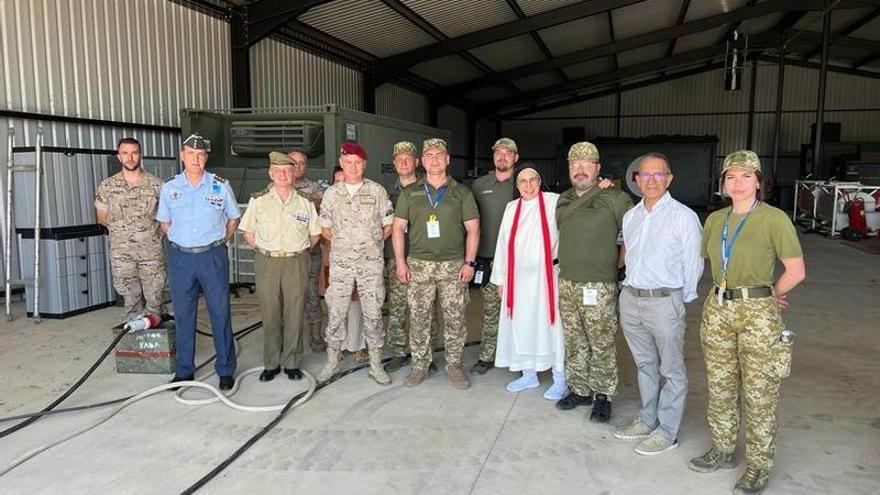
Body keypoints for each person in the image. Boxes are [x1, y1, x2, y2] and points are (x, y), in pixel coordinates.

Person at [688, 150, 805, 495]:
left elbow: (796, 271)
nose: (737, 183)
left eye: (745, 176)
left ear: (759, 182)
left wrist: (770, 294)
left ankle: (758, 465)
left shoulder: (774, 219)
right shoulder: (715, 220)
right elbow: (706, 263)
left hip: (757, 313)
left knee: (759, 393)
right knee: (721, 387)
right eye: (730, 177)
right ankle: (723, 449)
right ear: (723, 183)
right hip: (718, 308)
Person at [613, 153, 703, 456]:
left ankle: (667, 431)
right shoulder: (632, 215)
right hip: (632, 299)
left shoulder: (683, 216)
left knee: (671, 369)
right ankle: (648, 419)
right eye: (645, 175)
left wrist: (682, 298)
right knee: (644, 365)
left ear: (669, 179)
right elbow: (629, 256)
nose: (651, 181)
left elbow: (694, 261)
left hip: (664, 302)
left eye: (658, 175)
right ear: (636, 179)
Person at [392, 138, 480, 389]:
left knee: (455, 318)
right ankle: (420, 366)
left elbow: (473, 229)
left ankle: (454, 365)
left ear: (448, 159)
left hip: (453, 266)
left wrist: (469, 263)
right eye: (429, 155)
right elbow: (398, 229)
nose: (434, 159)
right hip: (419, 265)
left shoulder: (461, 192)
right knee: (419, 318)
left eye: (439, 154)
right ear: (422, 160)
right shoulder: (410, 193)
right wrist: (401, 263)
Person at [555, 141, 632, 422]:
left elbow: (632, 234)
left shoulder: (616, 199)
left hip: (599, 284)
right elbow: (563, 220)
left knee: (601, 341)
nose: (580, 169)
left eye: (586, 164)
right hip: (568, 282)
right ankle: (579, 388)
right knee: (574, 340)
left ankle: (602, 394)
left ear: (598, 168)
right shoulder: (564, 200)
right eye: (574, 164)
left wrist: (621, 263)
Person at [156, 134, 241, 390]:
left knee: (220, 312)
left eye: (201, 154)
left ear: (206, 157)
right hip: (181, 257)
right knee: (183, 315)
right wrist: (181, 241)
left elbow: (233, 218)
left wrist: (219, 241)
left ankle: (226, 369)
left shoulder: (220, 185)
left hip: (212, 256)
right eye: (191, 154)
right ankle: (184, 370)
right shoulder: (170, 187)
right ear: (182, 156)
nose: (196, 159)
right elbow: (164, 223)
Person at [238, 151, 320, 382]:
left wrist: (296, 248)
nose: (283, 175)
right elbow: (248, 232)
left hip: (296, 261)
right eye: (278, 171)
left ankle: (292, 362)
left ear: (294, 174)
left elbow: (314, 234)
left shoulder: (305, 201)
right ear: (270, 173)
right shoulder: (259, 200)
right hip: (268, 262)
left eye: (288, 171)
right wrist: (267, 249)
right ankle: (272, 362)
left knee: (295, 312)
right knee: (270, 312)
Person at [317, 142, 394, 385]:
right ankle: (332, 362)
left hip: (370, 266)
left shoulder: (377, 191)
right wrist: (344, 244)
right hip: (341, 266)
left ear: (365, 165)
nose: (353, 167)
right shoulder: (331, 194)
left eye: (358, 163)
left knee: (373, 314)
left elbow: (388, 224)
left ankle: (375, 363)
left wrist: (371, 243)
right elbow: (325, 228)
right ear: (341, 163)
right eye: (348, 162)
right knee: (336, 313)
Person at [490, 166, 566, 400]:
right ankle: (528, 373)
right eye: (523, 181)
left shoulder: (555, 201)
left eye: (533, 179)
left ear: (540, 181)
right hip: (518, 280)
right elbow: (503, 244)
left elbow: (581, 200)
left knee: (552, 327)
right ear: (517, 185)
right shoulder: (512, 208)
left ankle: (560, 378)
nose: (528, 184)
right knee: (522, 324)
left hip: (547, 278)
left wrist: (603, 186)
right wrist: (501, 279)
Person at [95, 137, 166, 322]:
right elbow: (101, 217)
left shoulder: (157, 185)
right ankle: (135, 336)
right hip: (122, 255)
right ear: (119, 157)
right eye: (125, 153)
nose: (130, 157)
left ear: (140, 155)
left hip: (151, 254)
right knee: (130, 298)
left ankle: (155, 334)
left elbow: (167, 219)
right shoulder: (107, 186)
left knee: (155, 296)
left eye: (134, 153)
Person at [469, 138, 517, 376]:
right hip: (488, 260)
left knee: (519, 313)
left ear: (515, 158)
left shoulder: (525, 183)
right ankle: (487, 355)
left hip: (519, 263)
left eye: (508, 153)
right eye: (498, 153)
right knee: (490, 311)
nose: (503, 157)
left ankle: (520, 358)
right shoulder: (479, 185)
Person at [288, 149, 326, 353]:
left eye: (302, 163)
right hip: (285, 253)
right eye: (293, 162)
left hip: (310, 251)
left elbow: (323, 215)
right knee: (286, 295)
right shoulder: (274, 187)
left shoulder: (316, 189)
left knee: (311, 293)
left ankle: (316, 336)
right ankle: (289, 336)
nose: (298, 166)